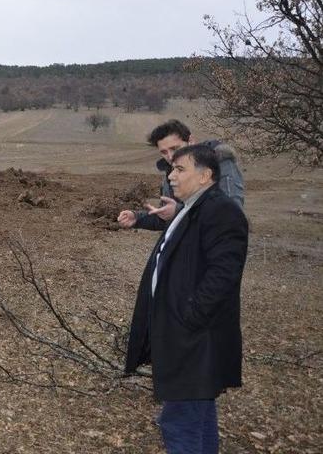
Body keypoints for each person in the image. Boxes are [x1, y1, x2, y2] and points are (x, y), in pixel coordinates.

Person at [124, 144, 249, 453]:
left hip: (195, 338)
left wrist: (189, 317)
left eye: (180, 169)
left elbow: (224, 273)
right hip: (188, 334)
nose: (171, 175)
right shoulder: (193, 208)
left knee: (179, 422)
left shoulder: (221, 211)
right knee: (198, 414)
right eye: (171, 169)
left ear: (205, 176)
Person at [117, 120, 244, 230]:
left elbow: (230, 214)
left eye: (175, 148)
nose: (170, 156)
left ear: (191, 141)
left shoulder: (220, 163)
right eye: (164, 152)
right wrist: (137, 218)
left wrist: (178, 211)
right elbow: (167, 217)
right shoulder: (170, 173)